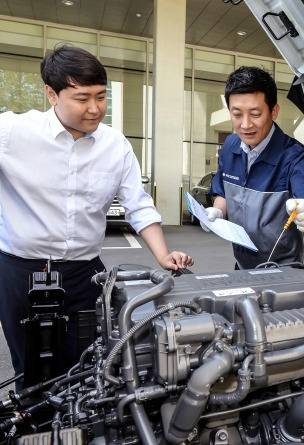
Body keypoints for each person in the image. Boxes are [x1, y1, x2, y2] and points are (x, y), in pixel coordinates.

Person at [0, 45, 194, 385]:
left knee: (89, 366)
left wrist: (163, 255)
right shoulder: (13, 132)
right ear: (51, 94)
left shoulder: (115, 145)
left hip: (84, 274)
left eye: (102, 97)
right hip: (20, 270)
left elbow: (139, 204)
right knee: (30, 369)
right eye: (82, 98)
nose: (95, 109)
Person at [203, 66, 304, 269]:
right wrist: (217, 211)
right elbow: (222, 192)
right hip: (241, 266)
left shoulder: (292, 155)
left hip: (283, 271)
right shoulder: (230, 147)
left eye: (255, 114)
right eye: (237, 114)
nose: (246, 124)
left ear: (273, 111)